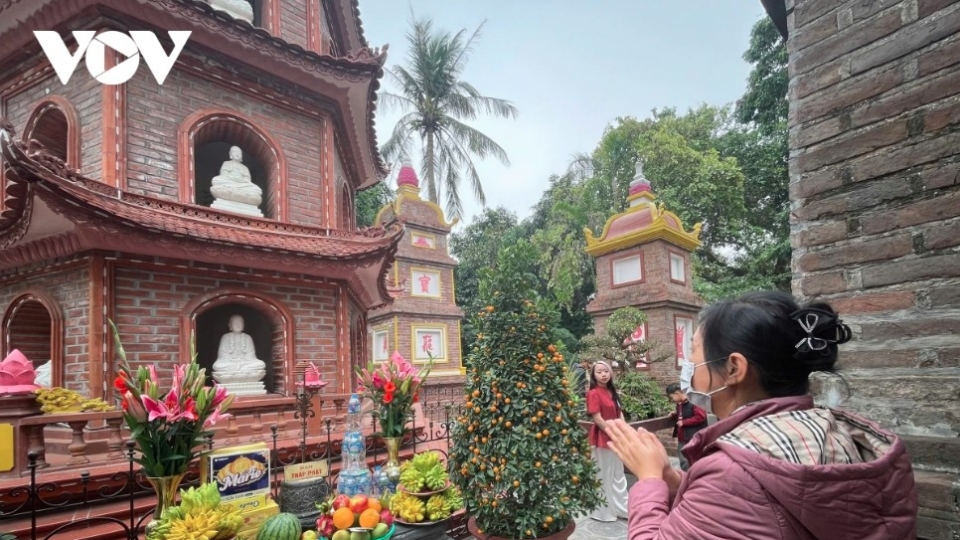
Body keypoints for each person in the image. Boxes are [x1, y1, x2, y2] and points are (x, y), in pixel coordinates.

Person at [603, 291, 917, 539]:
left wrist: (647, 481)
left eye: (694, 355)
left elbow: (736, 494)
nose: (688, 368)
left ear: (733, 368)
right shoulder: (833, 430)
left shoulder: (733, 471)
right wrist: (673, 480)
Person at [585, 359, 628, 522]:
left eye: (606, 371)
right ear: (593, 375)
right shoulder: (593, 393)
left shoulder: (612, 392)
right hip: (602, 438)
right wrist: (614, 432)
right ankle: (602, 512)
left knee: (618, 474)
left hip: (616, 436)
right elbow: (597, 418)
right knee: (603, 475)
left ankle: (622, 508)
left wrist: (623, 430)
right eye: (599, 372)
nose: (603, 374)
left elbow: (619, 413)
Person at [665, 383, 706, 472]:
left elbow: (701, 416)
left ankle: (691, 480)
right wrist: (675, 415)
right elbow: (684, 416)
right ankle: (687, 480)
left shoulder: (693, 402)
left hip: (692, 437)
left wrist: (684, 422)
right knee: (684, 462)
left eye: (671, 397)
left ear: (677, 394)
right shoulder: (680, 404)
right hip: (683, 437)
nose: (672, 400)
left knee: (692, 461)